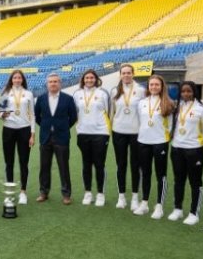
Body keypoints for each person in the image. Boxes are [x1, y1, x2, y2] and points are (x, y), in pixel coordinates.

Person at [133, 74, 174, 219]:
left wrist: (164, 138)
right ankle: (144, 203)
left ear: (162, 86)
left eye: (157, 84)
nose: (154, 87)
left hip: (160, 142)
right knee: (145, 173)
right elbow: (140, 121)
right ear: (148, 86)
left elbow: (170, 125)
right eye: (151, 85)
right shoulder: (142, 103)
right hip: (143, 141)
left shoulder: (168, 103)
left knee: (160, 174)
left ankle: (159, 206)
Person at [168, 81, 203, 225]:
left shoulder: (201, 109)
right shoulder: (177, 107)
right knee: (179, 180)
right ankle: (177, 209)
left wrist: (201, 149)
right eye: (183, 91)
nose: (186, 94)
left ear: (194, 92)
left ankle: (194, 212)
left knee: (195, 182)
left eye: (189, 91)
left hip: (194, 150)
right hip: (177, 148)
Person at [34, 73, 77, 205]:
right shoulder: (40, 99)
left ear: (60, 83)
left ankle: (66, 194)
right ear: (47, 84)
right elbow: (37, 117)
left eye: (55, 81)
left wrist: (62, 127)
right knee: (44, 166)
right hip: (45, 137)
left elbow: (73, 117)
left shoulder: (68, 99)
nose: (53, 84)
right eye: (51, 82)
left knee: (63, 167)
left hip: (62, 137)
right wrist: (48, 127)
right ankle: (43, 192)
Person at [110, 63, 146, 210]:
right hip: (118, 131)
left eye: (128, 73)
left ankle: (135, 198)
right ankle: (122, 197)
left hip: (136, 133)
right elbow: (111, 112)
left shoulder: (141, 90)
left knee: (135, 166)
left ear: (133, 74)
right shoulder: (114, 91)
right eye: (123, 73)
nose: (126, 75)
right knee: (121, 165)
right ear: (120, 75)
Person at [73, 69, 111, 207]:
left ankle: (100, 193)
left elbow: (109, 111)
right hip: (83, 133)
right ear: (83, 79)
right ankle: (88, 192)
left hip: (101, 133)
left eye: (91, 78)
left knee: (99, 164)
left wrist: (107, 129)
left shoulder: (103, 93)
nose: (89, 80)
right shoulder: (77, 94)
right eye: (87, 78)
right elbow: (75, 113)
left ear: (96, 79)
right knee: (86, 164)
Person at [0, 70, 35, 205]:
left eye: (19, 77)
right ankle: (9, 193)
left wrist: (32, 134)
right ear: (11, 80)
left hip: (24, 130)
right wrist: (4, 115)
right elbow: (0, 112)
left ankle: (23, 192)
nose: (17, 80)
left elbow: (32, 114)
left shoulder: (29, 94)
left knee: (23, 162)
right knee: (9, 163)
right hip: (8, 129)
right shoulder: (5, 93)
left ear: (22, 79)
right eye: (15, 77)